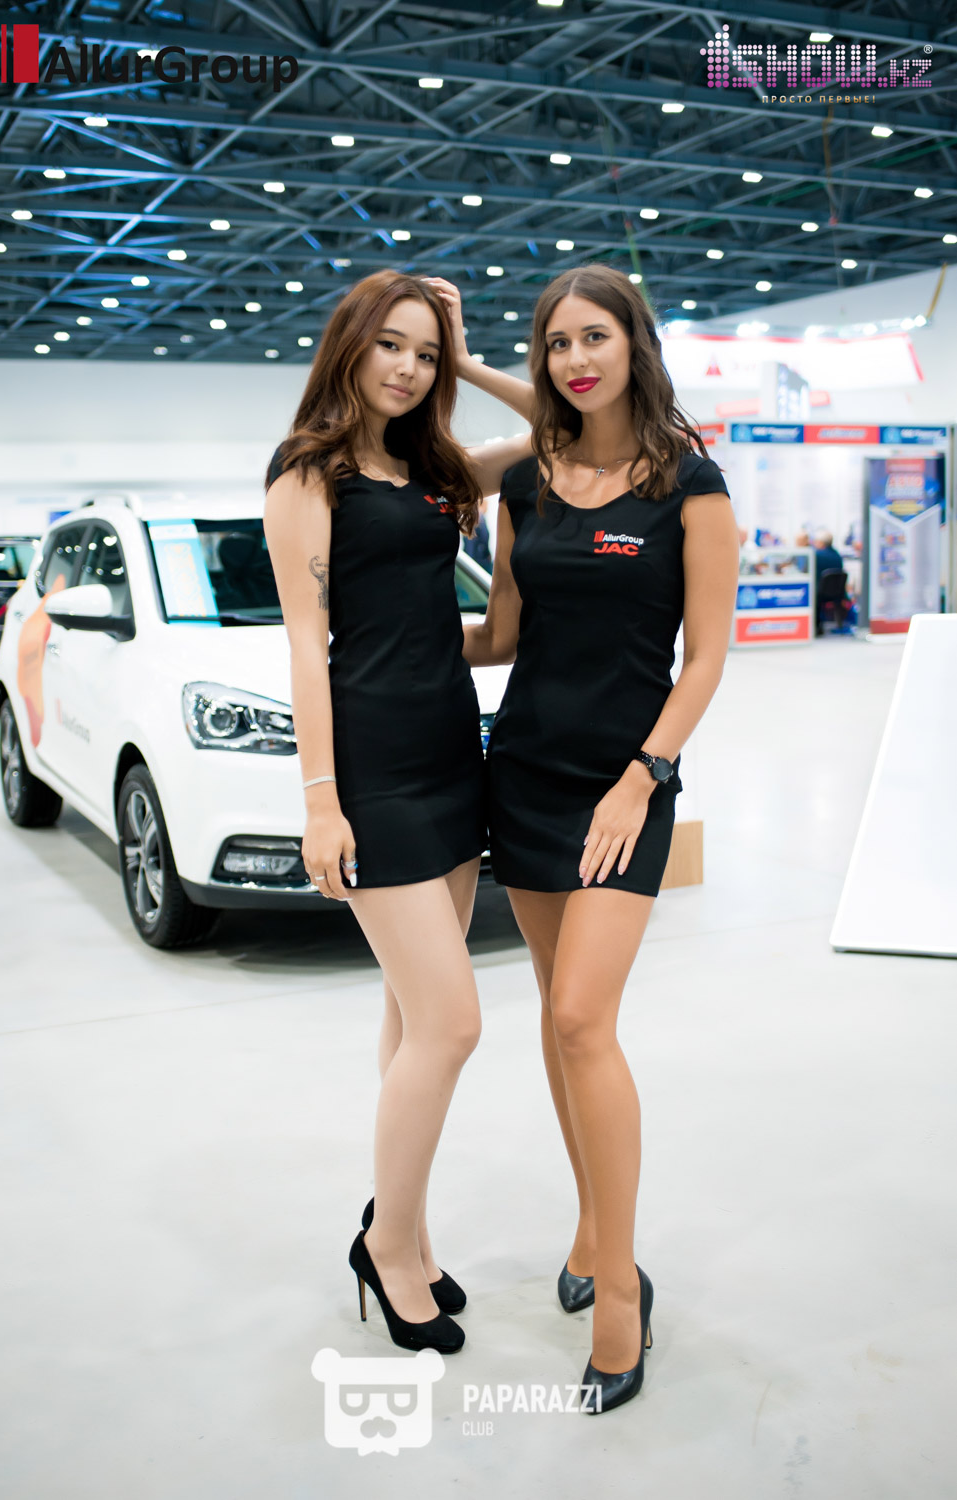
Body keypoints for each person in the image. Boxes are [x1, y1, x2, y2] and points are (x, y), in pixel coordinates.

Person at [461, 264, 739, 1412]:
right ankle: (587, 1226)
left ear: (633, 344)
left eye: (592, 337)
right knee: (555, 1014)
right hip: (523, 773)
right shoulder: (524, 483)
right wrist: (383, 637)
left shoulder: (689, 481)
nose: (574, 360)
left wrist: (644, 776)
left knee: (582, 1016)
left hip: (625, 786)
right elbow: (500, 636)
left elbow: (706, 655)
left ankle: (618, 1286)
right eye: (555, 343)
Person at [263, 270, 532, 1355]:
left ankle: (406, 1239)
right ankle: (384, 1246)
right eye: (393, 345)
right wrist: (319, 801)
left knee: (410, 1021)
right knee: (453, 1024)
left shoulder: (436, 470)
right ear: (350, 344)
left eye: (425, 353)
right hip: (373, 770)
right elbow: (305, 645)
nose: (409, 368)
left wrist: (468, 358)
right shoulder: (308, 470)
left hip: (451, 748)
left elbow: (561, 428)